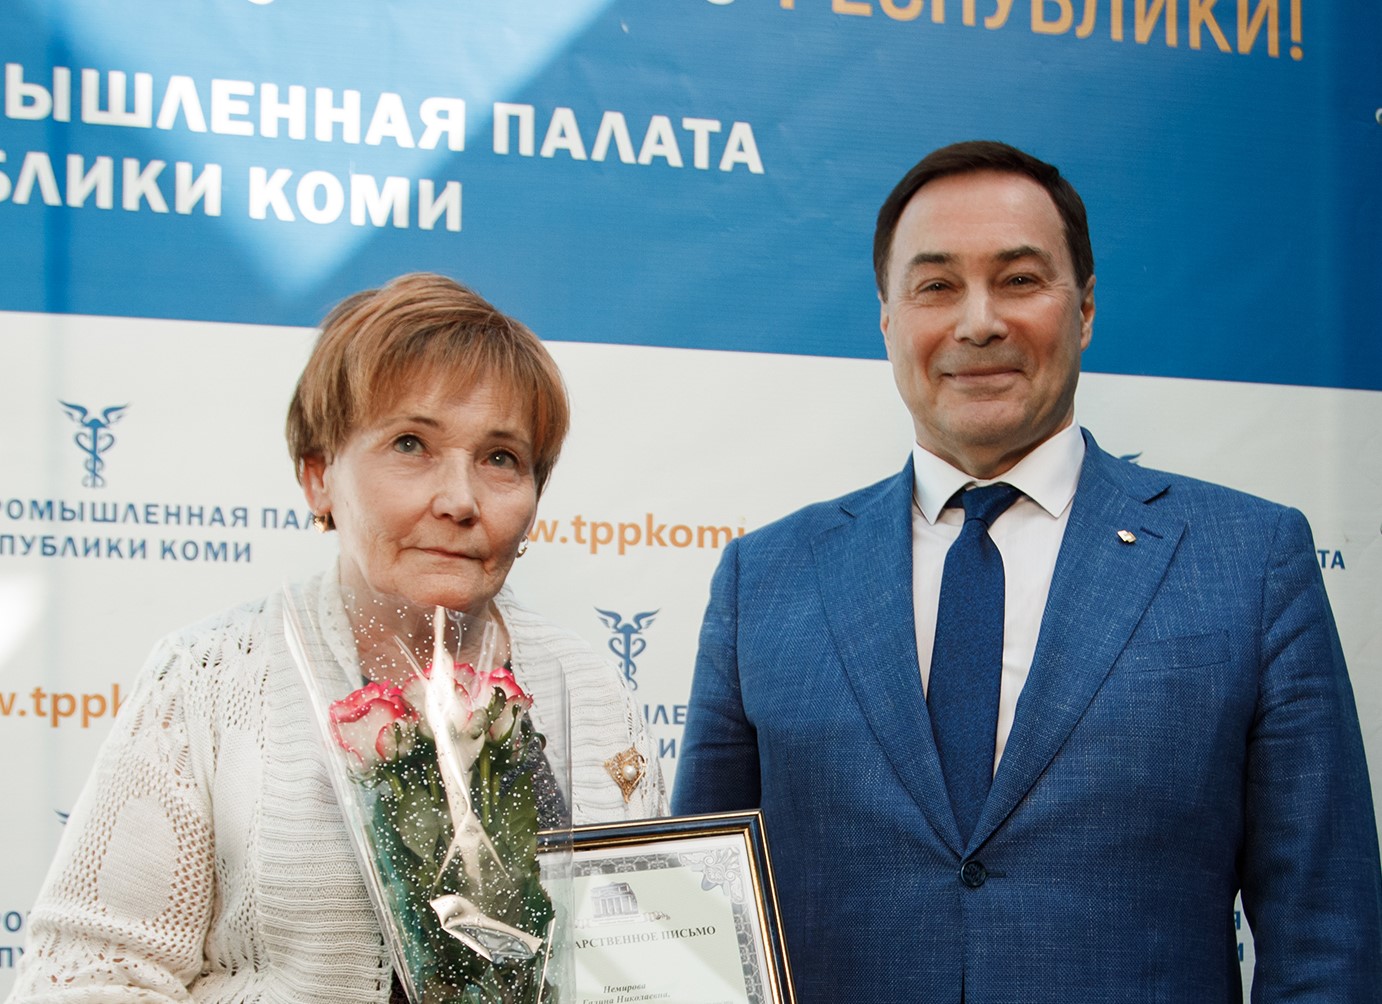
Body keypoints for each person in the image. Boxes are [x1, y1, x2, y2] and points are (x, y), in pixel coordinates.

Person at [673, 141, 1382, 1002]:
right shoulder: (764, 580)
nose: (978, 323)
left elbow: (1326, 938)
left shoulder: (1250, 560)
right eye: (936, 286)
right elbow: (698, 927)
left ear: (1084, 310)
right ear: (888, 320)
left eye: (1018, 279)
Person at [8, 272, 665, 1003]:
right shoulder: (208, 678)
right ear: (318, 476)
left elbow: (650, 961)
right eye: (411, 444)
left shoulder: (589, 688)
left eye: (501, 457)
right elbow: (86, 978)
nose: (460, 500)